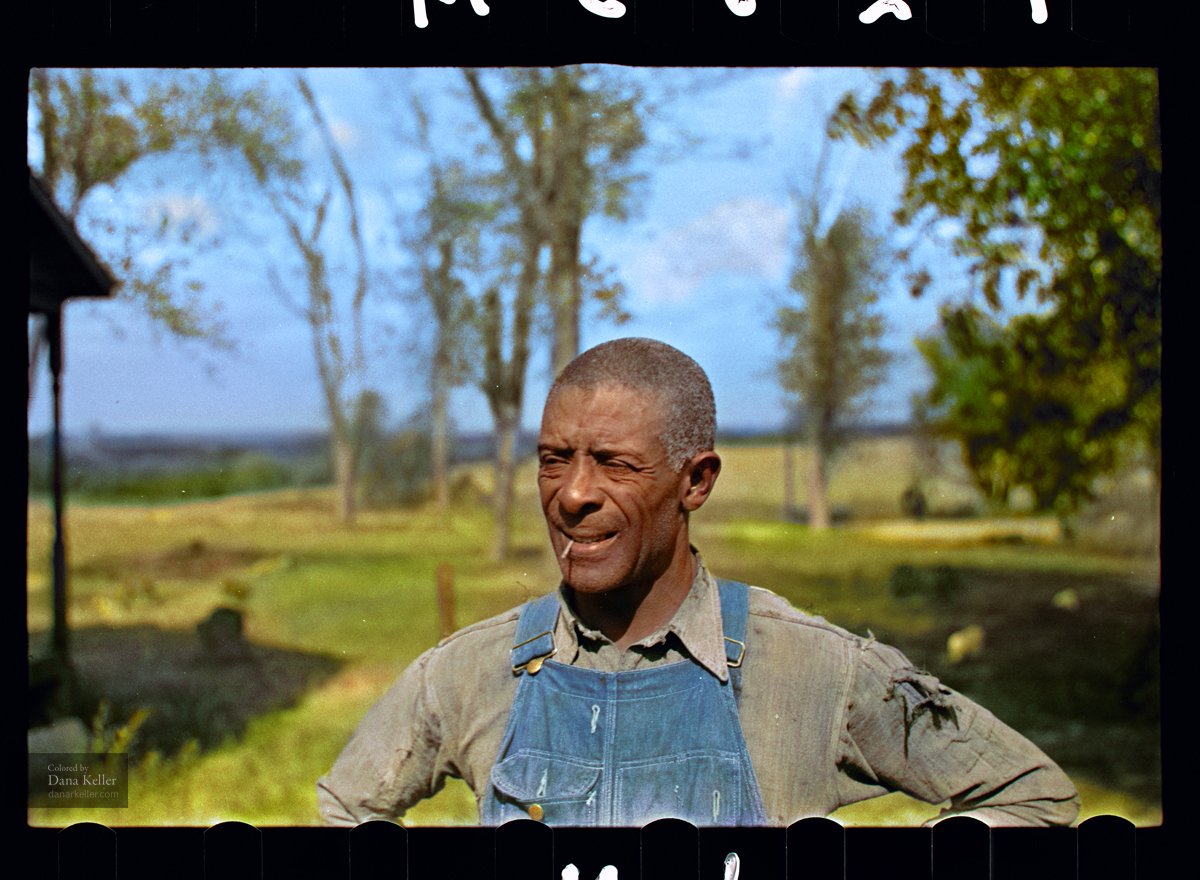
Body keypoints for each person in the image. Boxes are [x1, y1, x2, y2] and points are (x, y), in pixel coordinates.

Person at [317, 337, 1079, 827]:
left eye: (614, 463)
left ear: (697, 481)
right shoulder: (468, 672)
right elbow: (343, 816)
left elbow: (1034, 798)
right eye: (553, 458)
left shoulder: (818, 671)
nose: (572, 493)